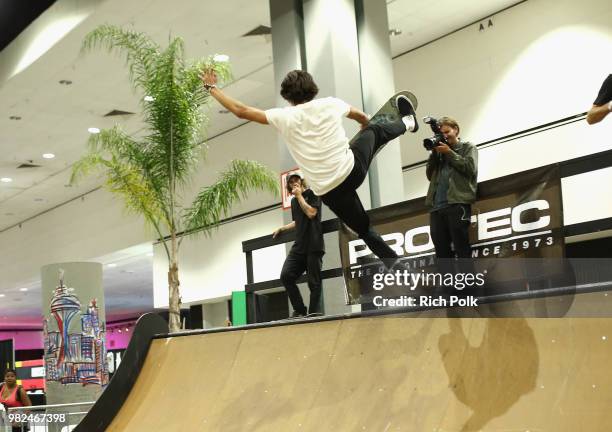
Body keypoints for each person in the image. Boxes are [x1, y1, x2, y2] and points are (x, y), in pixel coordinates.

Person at [201, 69, 418, 269]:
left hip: (329, 191)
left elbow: (241, 111)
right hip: (352, 171)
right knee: (376, 129)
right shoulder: (331, 104)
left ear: (287, 96)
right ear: (313, 88)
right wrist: (365, 124)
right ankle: (408, 123)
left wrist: (212, 88)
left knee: (365, 231)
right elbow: (359, 115)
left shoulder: (282, 116)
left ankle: (401, 269)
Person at [425, 117, 477, 262]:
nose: (445, 136)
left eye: (447, 132)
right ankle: (447, 285)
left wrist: (449, 152)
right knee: (442, 253)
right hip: (436, 208)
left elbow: (470, 169)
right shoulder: (438, 153)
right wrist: (435, 154)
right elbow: (430, 175)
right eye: (441, 134)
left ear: (456, 130)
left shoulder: (468, 147)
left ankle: (468, 285)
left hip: (457, 204)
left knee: (462, 250)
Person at [273, 171, 324, 317]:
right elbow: (298, 221)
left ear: (301, 182)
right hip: (300, 246)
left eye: (296, 180)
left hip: (314, 244)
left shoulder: (313, 193)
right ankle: (300, 309)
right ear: (289, 186)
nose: (294, 182)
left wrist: (299, 195)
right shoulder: (294, 202)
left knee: (313, 282)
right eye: (291, 182)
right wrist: (282, 228)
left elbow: (311, 213)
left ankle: (313, 312)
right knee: (286, 275)